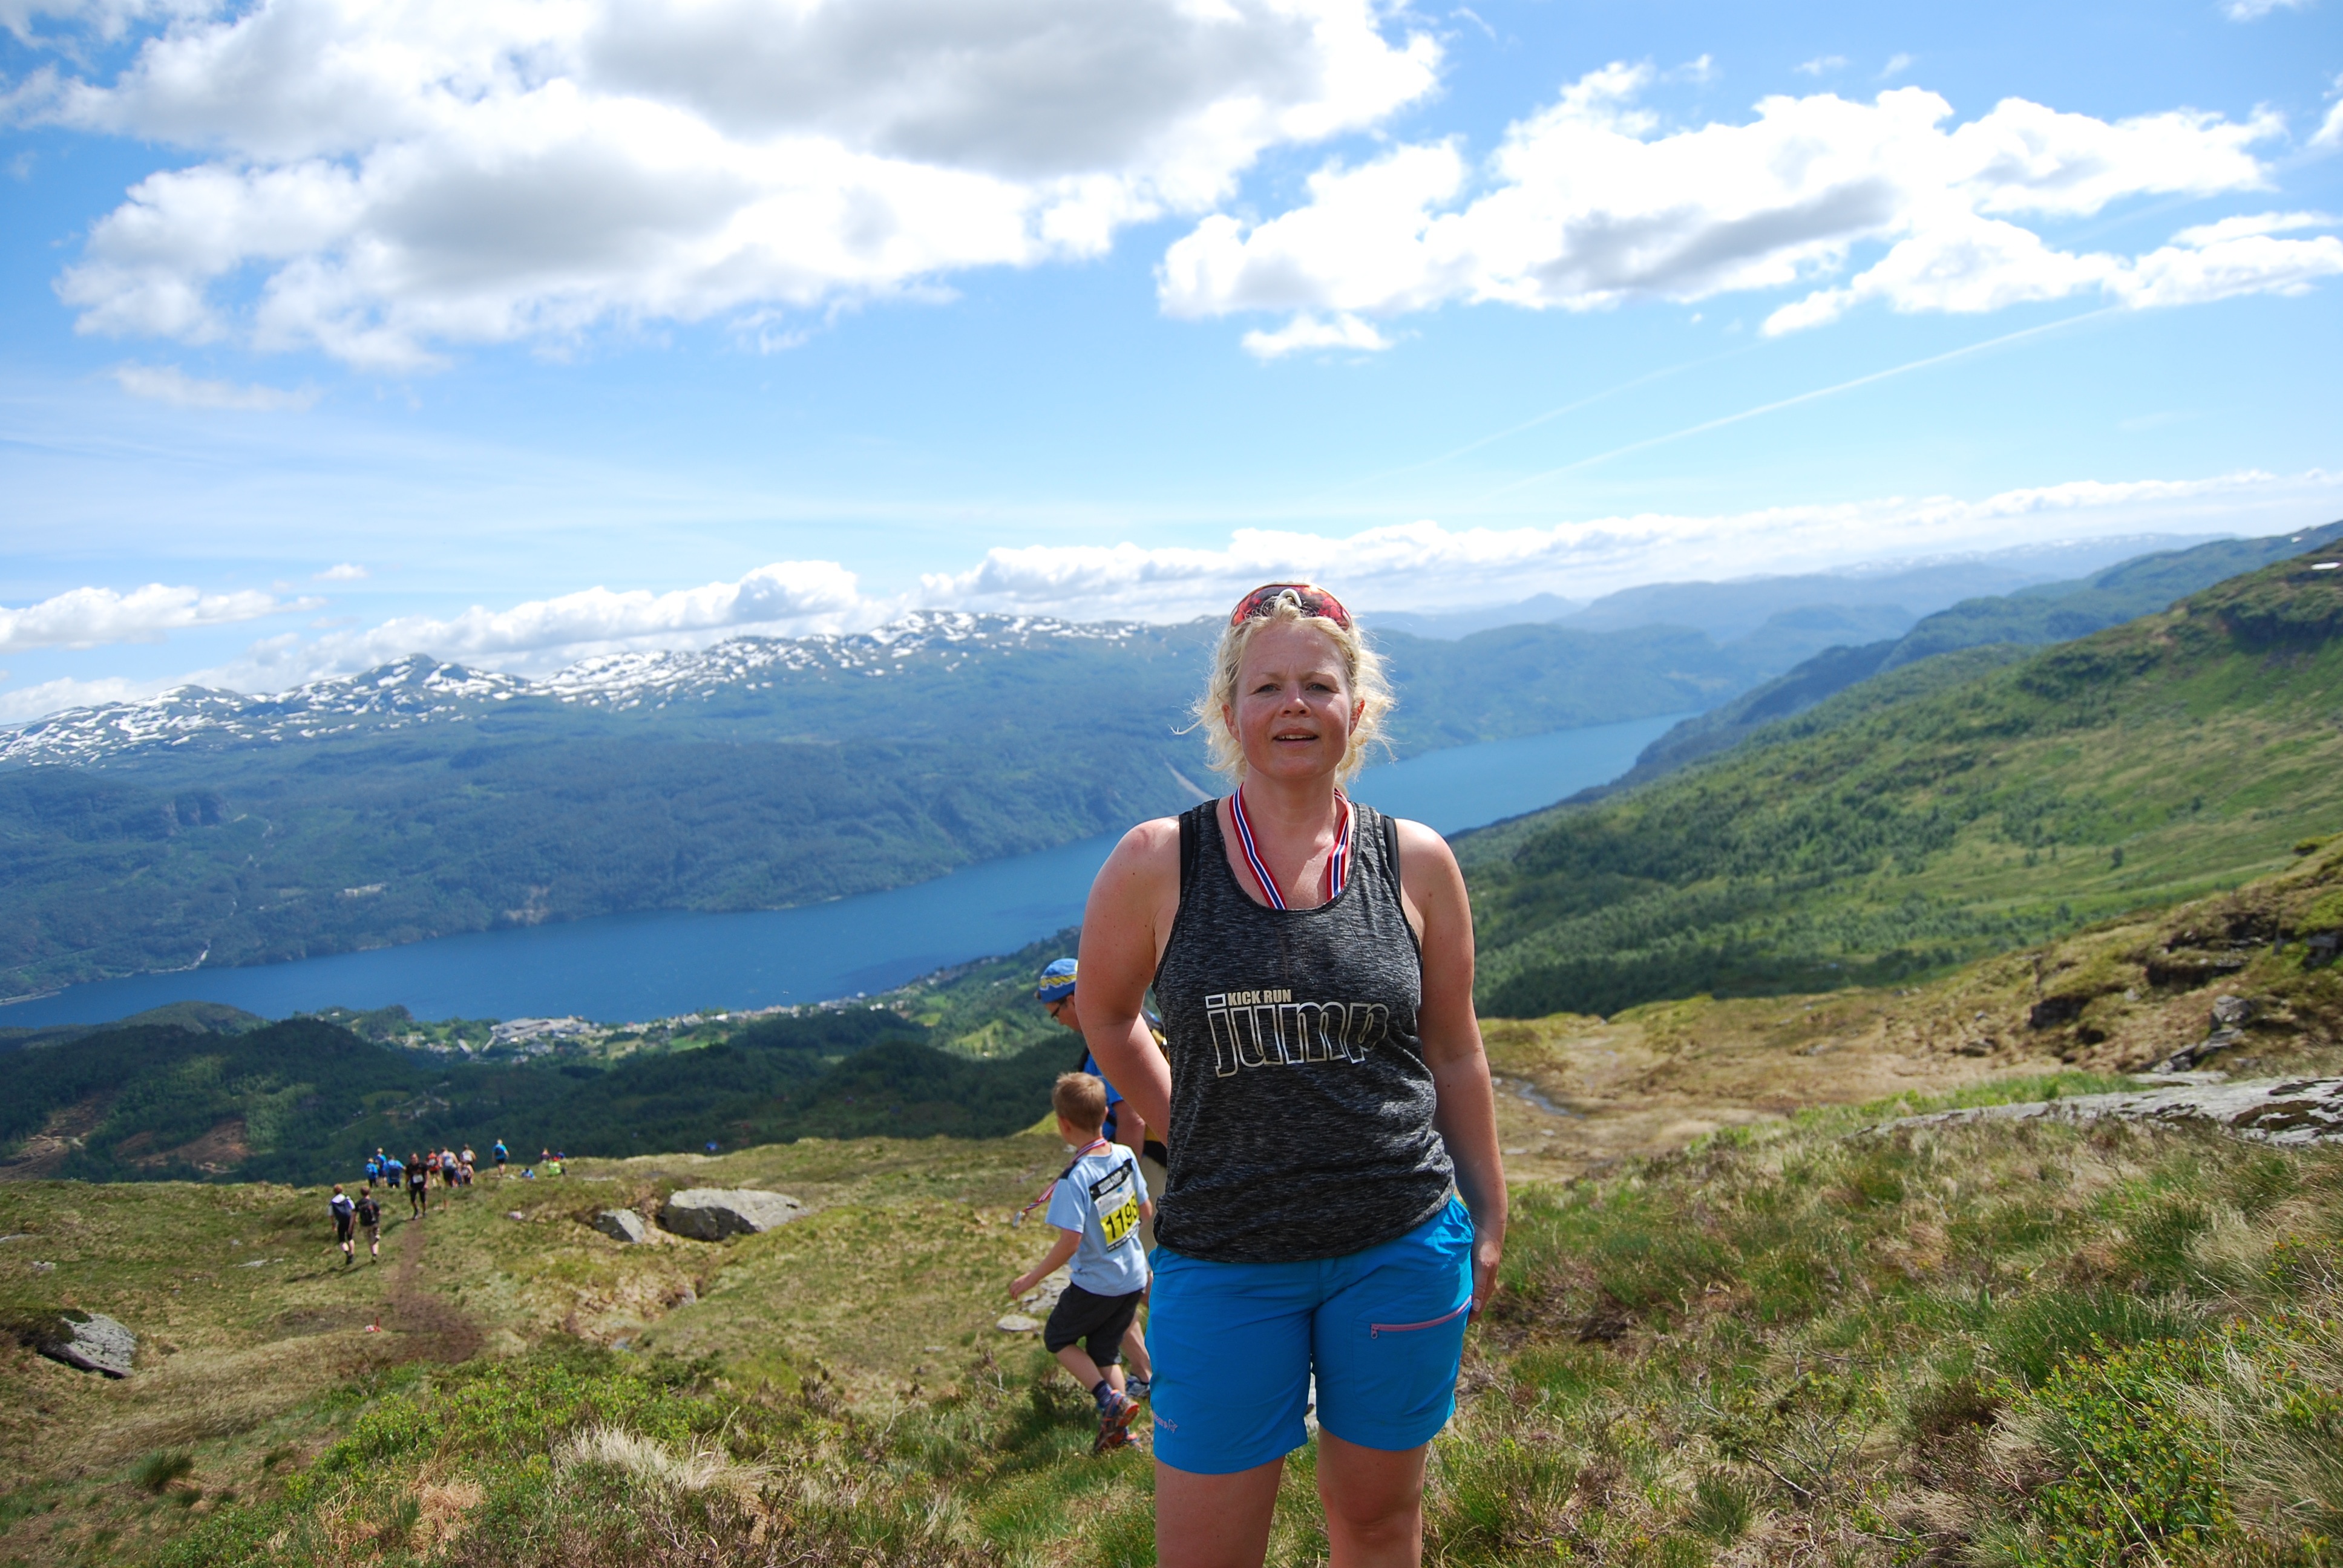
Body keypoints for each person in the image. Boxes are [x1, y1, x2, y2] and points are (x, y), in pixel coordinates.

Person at [1078, 583, 1507, 1568]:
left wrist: (1488, 1209)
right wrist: (1182, 1125)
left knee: (1378, 1524)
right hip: (1227, 1256)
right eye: (1267, 686)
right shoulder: (1160, 861)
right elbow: (1107, 1013)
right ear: (1228, 712)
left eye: (1318, 684)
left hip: (1399, 1243)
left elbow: (1453, 1046)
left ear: (1357, 707)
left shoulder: (1415, 861)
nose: (1294, 706)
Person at [1009, 1073, 1154, 1455]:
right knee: (1105, 1352)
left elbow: (1070, 1242)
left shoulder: (1075, 1179)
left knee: (1058, 1338)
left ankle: (1109, 1400)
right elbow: (1145, 1211)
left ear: (1063, 1125)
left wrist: (1031, 1278)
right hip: (1133, 1276)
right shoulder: (1124, 1156)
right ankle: (1122, 1433)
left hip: (1098, 1283)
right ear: (1106, 1114)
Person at [330, 1184, 357, 1265]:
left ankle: (347, 1254)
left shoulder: (333, 1202)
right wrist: (355, 1218)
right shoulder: (347, 1198)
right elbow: (353, 1208)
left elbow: (331, 1215)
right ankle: (352, 1255)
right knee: (350, 1238)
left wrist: (333, 1224)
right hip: (349, 1219)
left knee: (342, 1240)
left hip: (341, 1221)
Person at [355, 1186, 382, 1262]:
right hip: (374, 1223)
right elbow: (379, 1212)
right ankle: (375, 1254)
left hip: (364, 1225)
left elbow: (354, 1213)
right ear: (369, 1192)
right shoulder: (373, 1202)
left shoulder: (359, 1203)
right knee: (375, 1239)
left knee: (369, 1240)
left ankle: (373, 1254)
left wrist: (355, 1221)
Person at [407, 1151, 430, 1219]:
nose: (414, 1160)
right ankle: (416, 1211)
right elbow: (407, 1176)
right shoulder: (409, 1167)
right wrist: (407, 1184)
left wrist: (426, 1184)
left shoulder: (422, 1165)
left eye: (415, 1158)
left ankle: (425, 1212)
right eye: (412, 1158)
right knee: (412, 1199)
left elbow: (427, 1174)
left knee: (423, 1199)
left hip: (422, 1184)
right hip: (413, 1184)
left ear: (417, 1158)